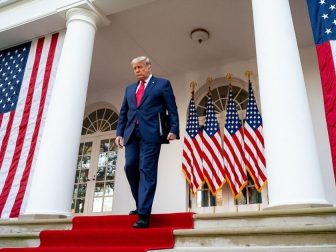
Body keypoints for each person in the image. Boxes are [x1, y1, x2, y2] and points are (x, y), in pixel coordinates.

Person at [115, 56, 179, 228]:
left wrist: (173, 129)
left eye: (140, 67)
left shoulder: (162, 84)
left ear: (149, 67)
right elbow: (123, 113)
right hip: (131, 135)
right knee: (130, 167)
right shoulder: (129, 89)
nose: (137, 71)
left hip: (151, 134)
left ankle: (143, 214)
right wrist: (119, 133)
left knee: (146, 170)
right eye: (134, 68)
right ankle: (140, 203)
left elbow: (172, 108)